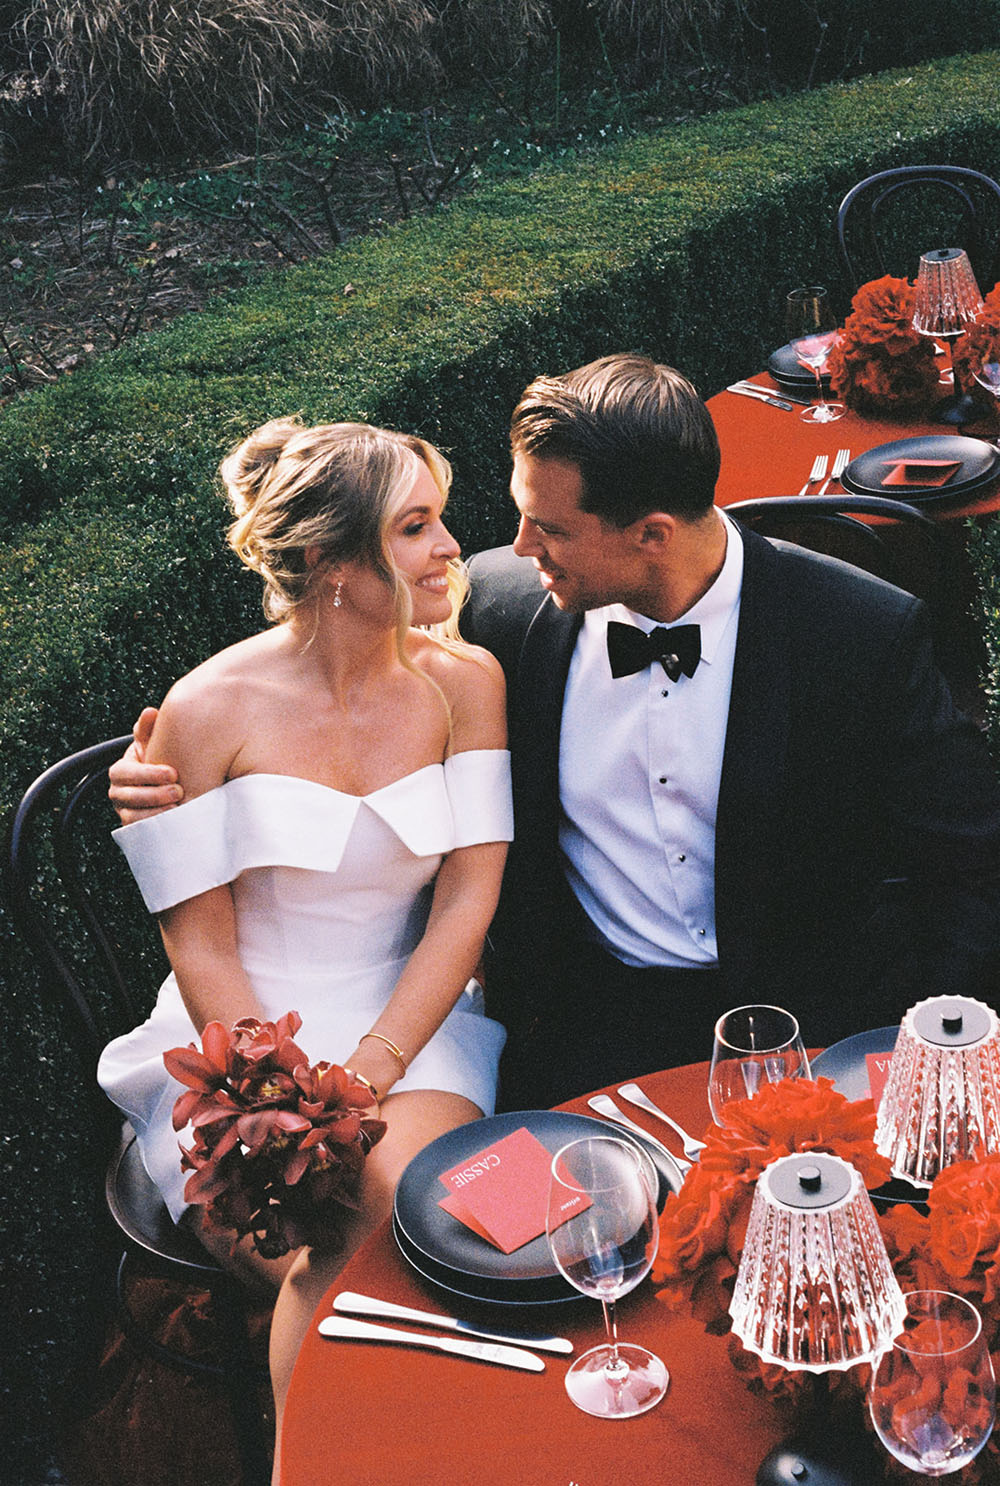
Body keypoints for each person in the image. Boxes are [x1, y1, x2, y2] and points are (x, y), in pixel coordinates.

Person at [110, 354, 1000, 1117]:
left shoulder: (862, 633)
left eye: (550, 526)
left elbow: (969, 868)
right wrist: (168, 787)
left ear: (651, 535)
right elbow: (324, 687)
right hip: (586, 1023)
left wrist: (928, 1049)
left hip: (810, 1025)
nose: (507, 545)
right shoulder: (497, 613)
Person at [97, 415, 512, 1466]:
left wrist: (368, 1069)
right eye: (414, 526)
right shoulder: (206, 706)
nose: (451, 547)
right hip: (233, 1035)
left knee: (403, 1222)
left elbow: (468, 899)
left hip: (413, 1023)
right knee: (320, 1249)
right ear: (330, 563)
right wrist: (273, 1091)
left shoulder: (467, 683)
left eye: (440, 520)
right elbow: (200, 944)